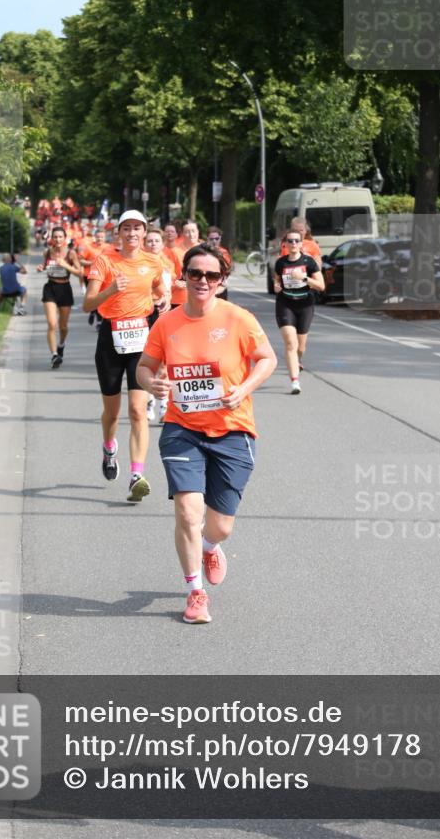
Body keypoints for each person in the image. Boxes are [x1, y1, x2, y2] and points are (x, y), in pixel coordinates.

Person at [137, 243, 277, 624]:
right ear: (184, 276)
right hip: (183, 428)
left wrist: (244, 389)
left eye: (210, 275)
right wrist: (153, 385)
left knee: (221, 525)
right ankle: (195, 592)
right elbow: (144, 367)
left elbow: (268, 359)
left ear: (222, 281)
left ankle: (211, 546)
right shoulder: (166, 323)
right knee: (187, 511)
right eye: (195, 273)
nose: (202, 280)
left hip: (233, 430)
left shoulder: (239, 318)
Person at [83, 210, 168, 502]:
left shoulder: (153, 262)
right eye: (126, 228)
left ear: (144, 233)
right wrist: (110, 290)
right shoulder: (105, 260)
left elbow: (159, 287)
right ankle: (109, 447)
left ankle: (136, 475)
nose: (132, 233)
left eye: (137, 228)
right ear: (118, 233)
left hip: (140, 341)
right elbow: (87, 303)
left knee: (136, 409)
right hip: (111, 339)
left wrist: (164, 297)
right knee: (112, 412)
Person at [273, 231, 324, 394]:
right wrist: (276, 286)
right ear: (285, 245)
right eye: (290, 241)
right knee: (290, 343)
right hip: (285, 303)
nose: (293, 243)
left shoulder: (309, 263)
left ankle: (298, 359)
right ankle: (295, 381)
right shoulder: (280, 263)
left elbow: (321, 286)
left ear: (301, 244)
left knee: (300, 347)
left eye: (296, 241)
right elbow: (277, 280)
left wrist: (303, 278)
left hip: (305, 304)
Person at [37, 225, 82, 368]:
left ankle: (61, 344)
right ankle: (54, 355)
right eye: (55, 237)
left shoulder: (71, 253)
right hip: (50, 288)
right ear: (51, 238)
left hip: (65, 289)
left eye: (60, 237)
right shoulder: (47, 252)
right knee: (52, 323)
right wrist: (41, 267)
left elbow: (79, 272)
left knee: (63, 327)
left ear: (64, 239)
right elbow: (45, 265)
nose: (57, 239)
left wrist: (65, 265)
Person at [144, 226, 175, 422]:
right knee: (147, 361)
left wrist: (169, 302)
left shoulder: (169, 264)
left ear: (162, 244)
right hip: (144, 314)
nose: (153, 244)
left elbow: (170, 290)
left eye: (157, 241)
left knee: (165, 362)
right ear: (144, 244)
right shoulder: (140, 264)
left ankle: (163, 405)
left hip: (164, 315)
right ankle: (148, 401)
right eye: (150, 241)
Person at [206, 226, 232, 300]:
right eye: (211, 239)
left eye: (217, 239)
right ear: (207, 239)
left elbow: (228, 269)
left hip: (220, 287)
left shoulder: (224, 252)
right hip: (206, 286)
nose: (214, 241)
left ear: (220, 239)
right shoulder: (203, 252)